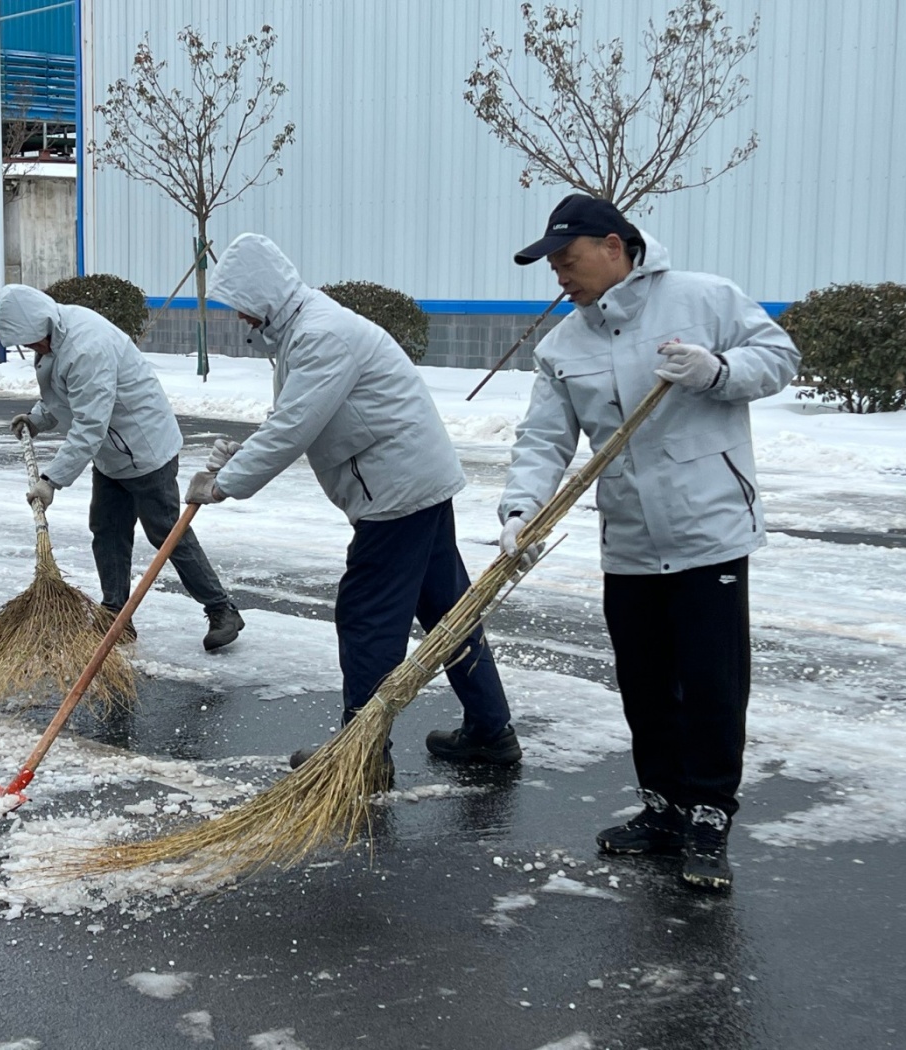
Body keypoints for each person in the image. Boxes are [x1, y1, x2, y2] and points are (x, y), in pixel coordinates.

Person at [501, 194, 799, 890]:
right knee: (643, 683)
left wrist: (718, 373)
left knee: (712, 683)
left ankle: (709, 817)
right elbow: (544, 439)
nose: (561, 278)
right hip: (629, 540)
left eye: (567, 261)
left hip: (708, 531)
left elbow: (779, 357)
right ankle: (662, 807)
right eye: (552, 266)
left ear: (614, 246)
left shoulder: (703, 299)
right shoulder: (562, 345)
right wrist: (521, 509)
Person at [185, 233, 522, 789]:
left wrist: (226, 487)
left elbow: (296, 427)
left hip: (397, 491)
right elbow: (290, 412)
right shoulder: (304, 329)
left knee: (366, 615)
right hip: (413, 482)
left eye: (240, 302)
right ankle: (491, 729)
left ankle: (361, 754)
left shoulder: (321, 336)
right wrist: (235, 458)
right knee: (448, 613)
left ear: (261, 294)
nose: (239, 315)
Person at [0, 283, 245, 651]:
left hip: (145, 451)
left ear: (43, 325)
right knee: (108, 530)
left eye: (34, 343)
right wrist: (37, 419)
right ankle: (116, 615)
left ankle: (222, 610)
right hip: (112, 454)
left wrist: (51, 480)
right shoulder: (55, 336)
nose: (34, 350)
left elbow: (90, 424)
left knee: (165, 534)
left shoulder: (86, 345)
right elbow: (67, 396)